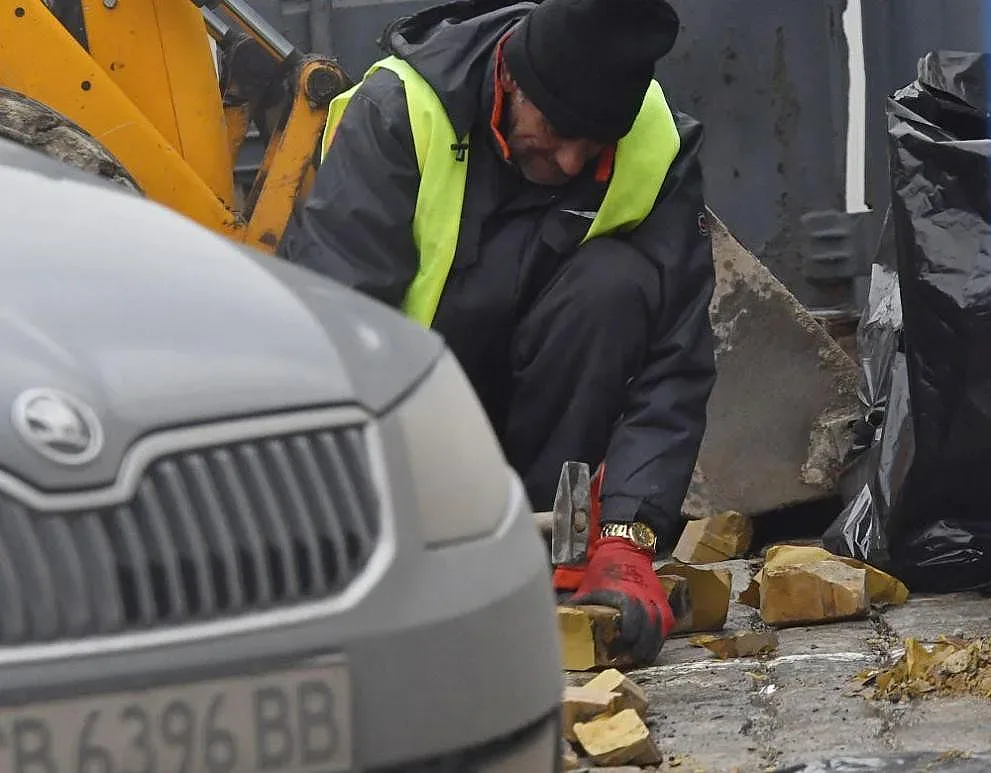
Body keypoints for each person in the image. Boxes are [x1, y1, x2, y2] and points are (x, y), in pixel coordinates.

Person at [278, 0, 717, 666]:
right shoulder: (399, 113)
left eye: (594, 143)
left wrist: (631, 533)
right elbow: (337, 343)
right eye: (558, 128)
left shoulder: (653, 144)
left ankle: (555, 564)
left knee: (615, 285)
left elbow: (672, 363)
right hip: (412, 437)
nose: (572, 161)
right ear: (510, 79)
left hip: (542, 434)